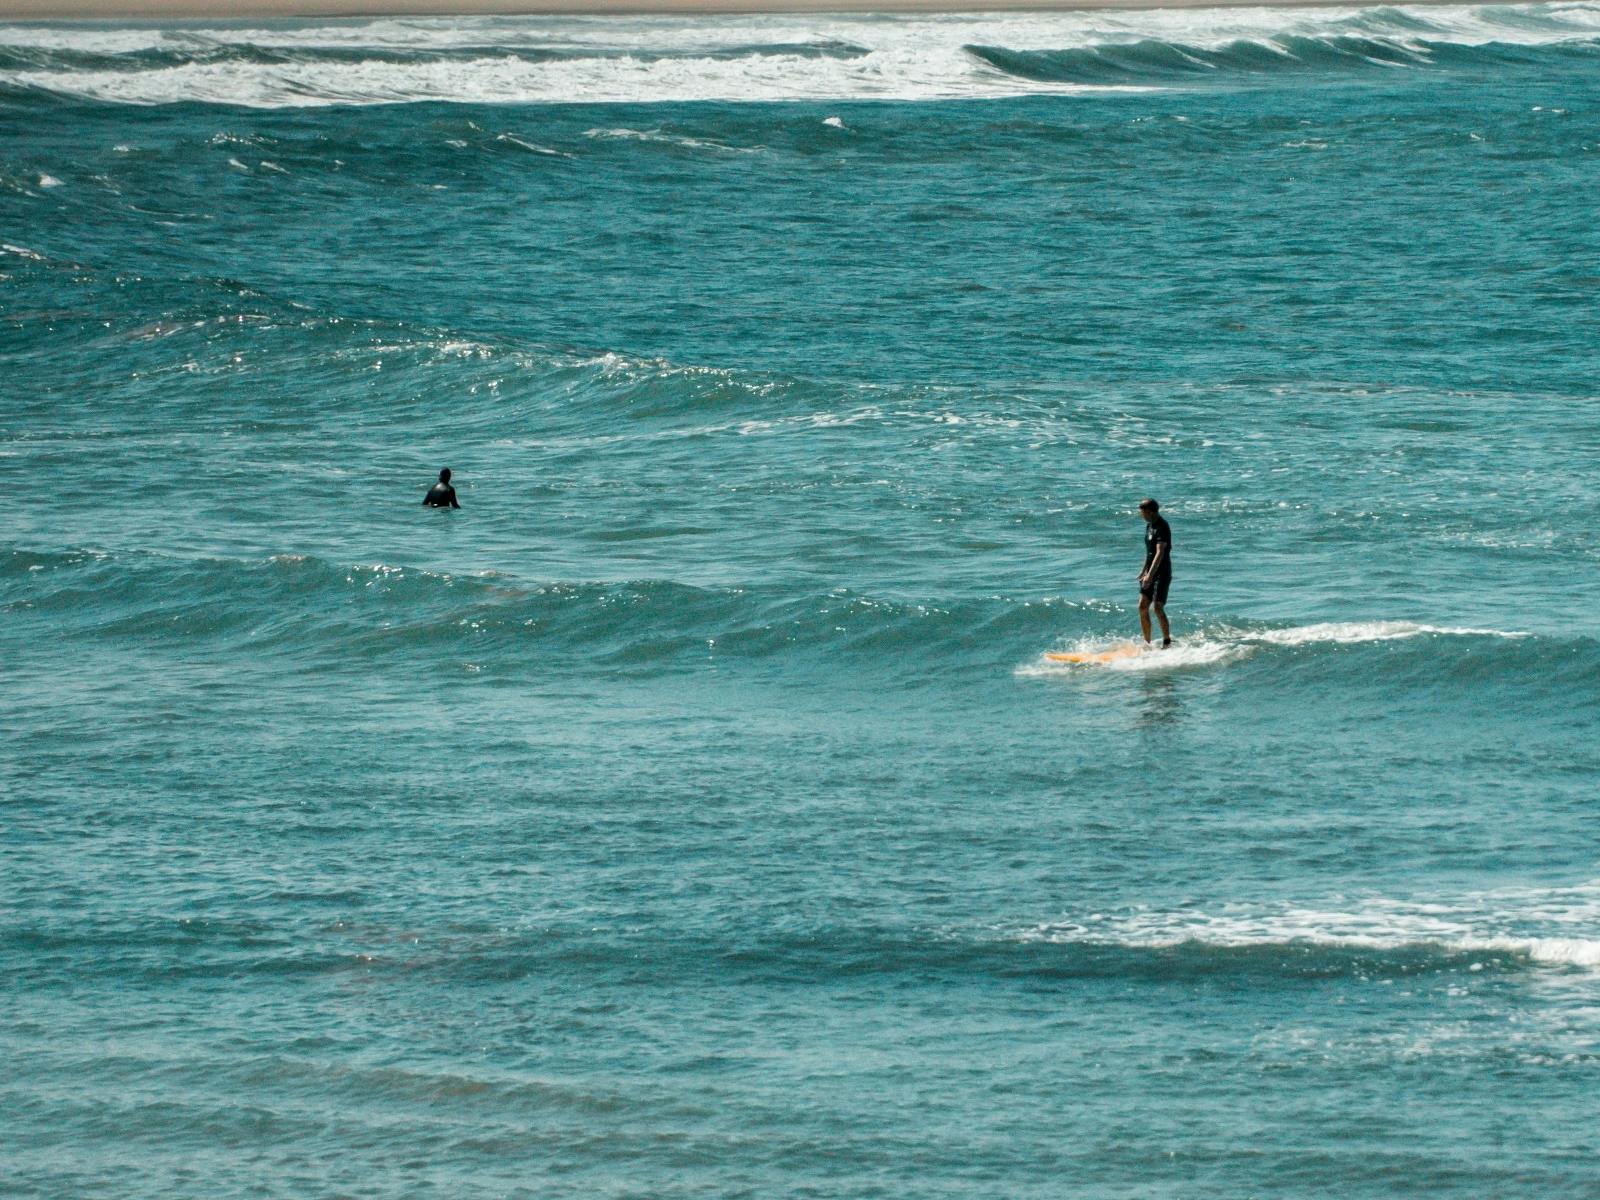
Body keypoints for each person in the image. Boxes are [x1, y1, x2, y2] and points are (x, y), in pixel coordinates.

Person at [1136, 498, 1172, 647]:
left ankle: (1167, 641)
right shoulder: (1149, 526)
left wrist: (1151, 575)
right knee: (1142, 606)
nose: (1141, 516)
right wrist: (1143, 571)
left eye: (1143, 513)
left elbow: (1159, 552)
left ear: (1150, 512)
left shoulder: (1162, 526)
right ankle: (1147, 643)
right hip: (1149, 572)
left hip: (1161, 573)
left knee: (1157, 607)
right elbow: (1149, 552)